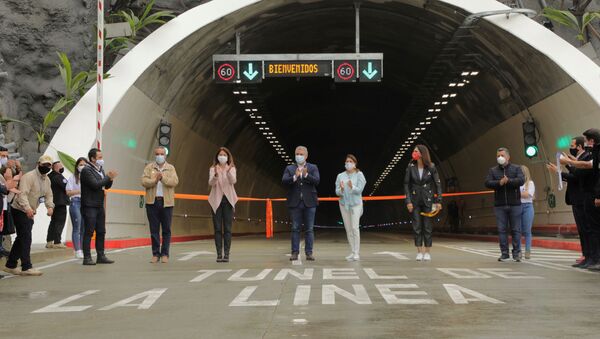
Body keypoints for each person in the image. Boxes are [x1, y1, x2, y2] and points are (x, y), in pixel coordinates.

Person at [3, 155, 53, 276]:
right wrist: (27, 208)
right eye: (44, 165)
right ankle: (26, 266)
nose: (46, 167)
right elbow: (22, 195)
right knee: (26, 237)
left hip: (30, 211)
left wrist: (50, 206)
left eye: (48, 165)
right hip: (19, 210)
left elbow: (49, 194)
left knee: (21, 238)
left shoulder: (47, 180)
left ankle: (11, 264)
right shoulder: (29, 177)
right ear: (38, 164)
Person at [560, 129, 600, 270]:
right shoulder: (594, 154)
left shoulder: (594, 154)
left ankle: (595, 258)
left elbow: (585, 170)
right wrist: (571, 162)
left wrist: (568, 163)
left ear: (592, 141)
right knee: (588, 229)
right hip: (587, 195)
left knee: (592, 229)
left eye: (587, 140)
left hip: (590, 195)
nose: (586, 143)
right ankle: (590, 258)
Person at [547, 136, 590, 267]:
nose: (571, 148)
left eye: (572, 145)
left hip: (581, 198)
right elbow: (575, 175)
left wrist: (560, 171)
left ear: (580, 146)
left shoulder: (586, 157)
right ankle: (586, 255)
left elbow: (577, 176)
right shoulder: (579, 159)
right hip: (576, 199)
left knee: (586, 228)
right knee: (582, 229)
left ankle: (590, 256)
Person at [485, 147, 525, 262]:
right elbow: (487, 183)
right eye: (498, 156)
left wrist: (509, 181)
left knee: (516, 229)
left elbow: (521, 180)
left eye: (502, 155)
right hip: (500, 205)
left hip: (515, 204)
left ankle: (517, 253)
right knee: (502, 230)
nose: (500, 158)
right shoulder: (493, 170)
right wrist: (499, 183)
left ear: (508, 157)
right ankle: (504, 253)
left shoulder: (516, 168)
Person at [404, 145, 442, 261]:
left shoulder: (431, 166)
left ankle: (427, 252)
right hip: (415, 201)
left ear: (422, 153)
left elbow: (437, 184)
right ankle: (419, 251)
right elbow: (406, 184)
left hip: (428, 200)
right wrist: (408, 201)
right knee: (417, 226)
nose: (413, 153)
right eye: (413, 151)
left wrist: (439, 200)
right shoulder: (410, 167)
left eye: (415, 151)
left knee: (427, 226)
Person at [141, 146, 179, 264]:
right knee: (154, 230)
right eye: (157, 154)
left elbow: (174, 182)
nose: (159, 156)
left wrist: (162, 178)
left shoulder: (170, 168)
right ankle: (155, 254)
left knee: (166, 230)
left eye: (162, 154)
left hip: (166, 203)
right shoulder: (149, 167)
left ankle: (165, 254)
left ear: (165, 155)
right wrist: (154, 180)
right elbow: (143, 181)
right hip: (152, 202)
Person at [282, 146, 320, 261]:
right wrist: (295, 176)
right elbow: (284, 181)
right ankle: (295, 252)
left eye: (301, 154)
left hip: (310, 202)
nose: (299, 156)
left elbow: (317, 181)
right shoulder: (290, 168)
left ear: (306, 156)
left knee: (309, 229)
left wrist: (307, 175)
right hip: (295, 203)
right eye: (297, 154)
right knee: (295, 228)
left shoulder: (313, 167)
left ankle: (309, 253)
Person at [81, 148, 118, 266]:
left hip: (99, 205)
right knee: (89, 231)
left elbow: (105, 186)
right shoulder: (86, 170)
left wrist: (110, 179)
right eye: (99, 157)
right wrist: (107, 177)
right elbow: (95, 185)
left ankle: (101, 255)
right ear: (92, 158)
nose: (102, 160)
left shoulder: (100, 170)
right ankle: (87, 257)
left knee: (101, 231)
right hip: (89, 205)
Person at [208, 147, 238, 263]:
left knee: (227, 228)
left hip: (228, 200)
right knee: (217, 229)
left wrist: (228, 172)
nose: (222, 157)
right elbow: (211, 183)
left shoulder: (232, 168)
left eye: (224, 155)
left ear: (228, 157)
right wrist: (215, 176)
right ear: (217, 157)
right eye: (220, 155)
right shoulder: (213, 168)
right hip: (216, 200)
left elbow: (233, 181)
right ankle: (219, 254)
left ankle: (227, 254)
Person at [335, 154, 366, 261]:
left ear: (354, 164)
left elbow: (360, 190)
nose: (348, 163)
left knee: (354, 227)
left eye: (350, 161)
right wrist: (342, 189)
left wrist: (352, 186)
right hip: (344, 204)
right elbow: (337, 191)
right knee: (348, 229)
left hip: (356, 204)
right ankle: (352, 251)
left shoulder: (359, 174)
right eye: (346, 161)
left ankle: (357, 252)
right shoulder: (340, 176)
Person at [67, 158, 87, 259]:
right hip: (75, 202)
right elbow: (68, 192)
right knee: (77, 227)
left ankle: (82, 249)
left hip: (85, 203)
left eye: (84, 164)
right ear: (77, 166)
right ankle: (77, 250)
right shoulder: (72, 177)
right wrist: (79, 191)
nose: (82, 166)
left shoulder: (88, 178)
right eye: (80, 164)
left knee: (84, 228)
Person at [46, 161, 69, 249]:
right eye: (61, 166)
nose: (62, 168)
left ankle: (49, 241)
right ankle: (57, 241)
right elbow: (67, 186)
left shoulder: (49, 176)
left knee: (53, 222)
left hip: (52, 203)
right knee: (60, 222)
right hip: (60, 203)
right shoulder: (58, 177)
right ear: (56, 167)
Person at [520, 165, 535, 259]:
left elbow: (527, 195)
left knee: (527, 230)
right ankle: (518, 250)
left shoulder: (530, 183)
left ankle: (527, 250)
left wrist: (516, 194)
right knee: (517, 230)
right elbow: (524, 194)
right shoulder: (516, 183)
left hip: (527, 207)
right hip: (517, 206)